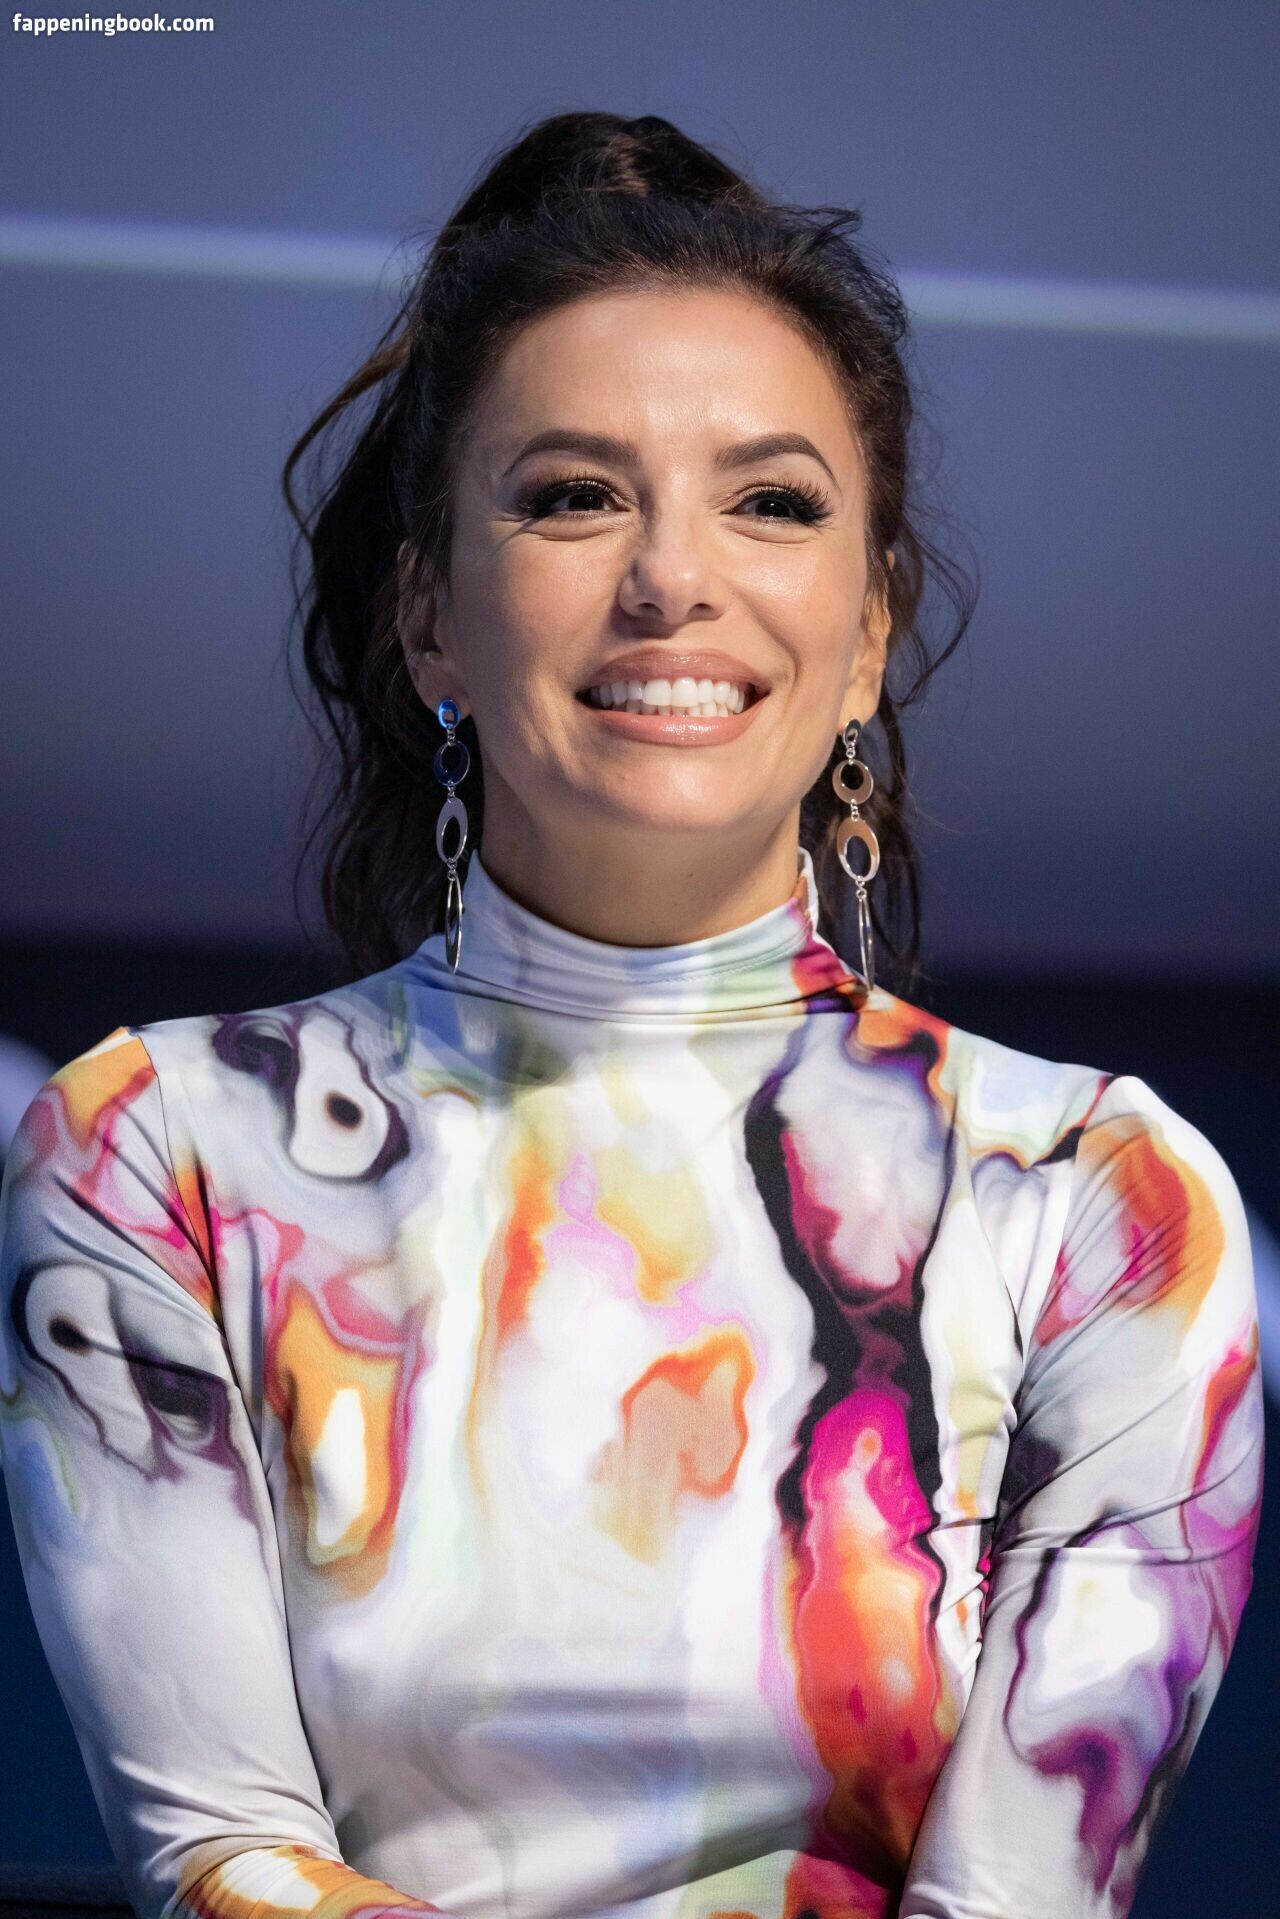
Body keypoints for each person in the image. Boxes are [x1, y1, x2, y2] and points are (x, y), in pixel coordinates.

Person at [0, 111, 1263, 1919]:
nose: (675, 578)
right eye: (574, 495)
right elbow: (222, 1860)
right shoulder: (158, 1154)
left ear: (866, 635)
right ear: (429, 619)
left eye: (773, 503)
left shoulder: (1095, 1197)